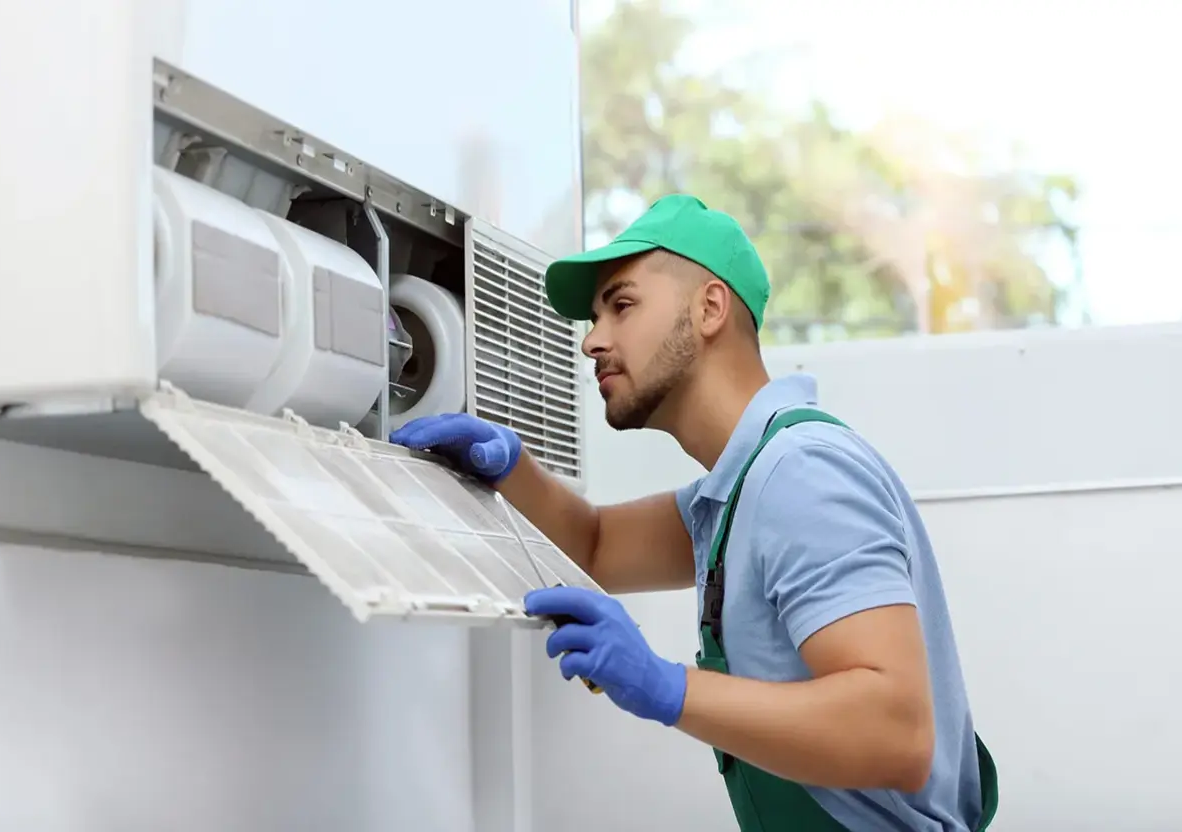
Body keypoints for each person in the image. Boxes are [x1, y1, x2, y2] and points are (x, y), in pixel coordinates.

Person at [388, 194, 999, 832]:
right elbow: (594, 545)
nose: (592, 341)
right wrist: (510, 467)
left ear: (709, 308)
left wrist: (663, 685)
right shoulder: (737, 491)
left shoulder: (800, 474)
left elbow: (895, 731)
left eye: (621, 305)